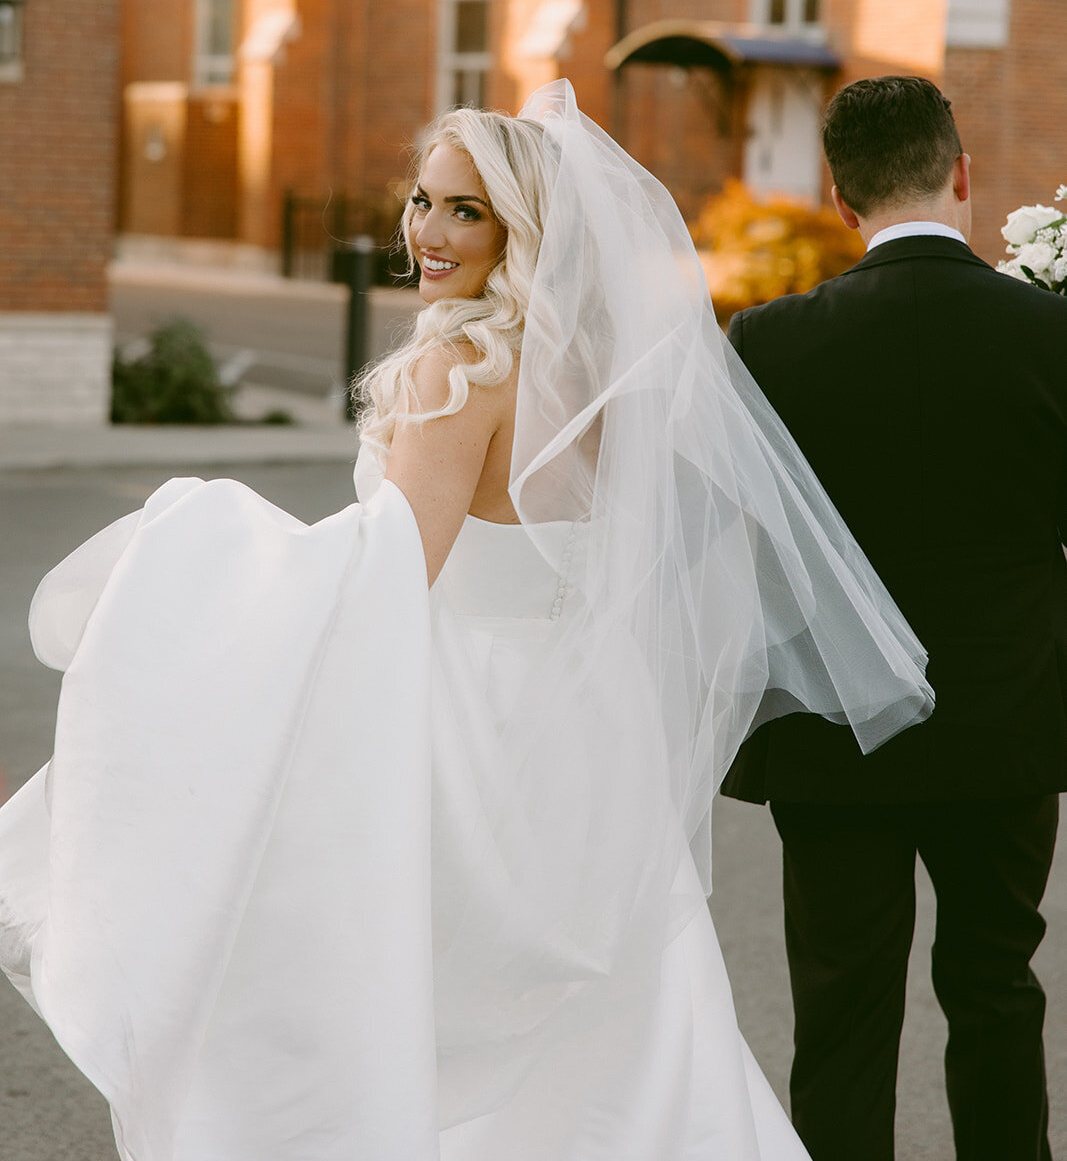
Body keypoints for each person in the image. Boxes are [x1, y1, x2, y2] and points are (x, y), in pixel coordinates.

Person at [0, 81, 931, 1161]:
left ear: (520, 230)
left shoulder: (459, 369)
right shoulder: (601, 371)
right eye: (421, 200)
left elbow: (387, 568)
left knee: (432, 1006)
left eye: (465, 211)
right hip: (591, 723)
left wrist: (193, 538)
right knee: (625, 1012)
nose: (427, 232)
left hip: (477, 729)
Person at [722, 74, 1067, 1161]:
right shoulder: (1047, 334)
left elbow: (736, 547)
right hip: (1007, 723)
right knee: (996, 989)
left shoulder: (766, 343)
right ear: (959, 174)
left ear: (838, 199)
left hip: (834, 734)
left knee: (841, 1014)